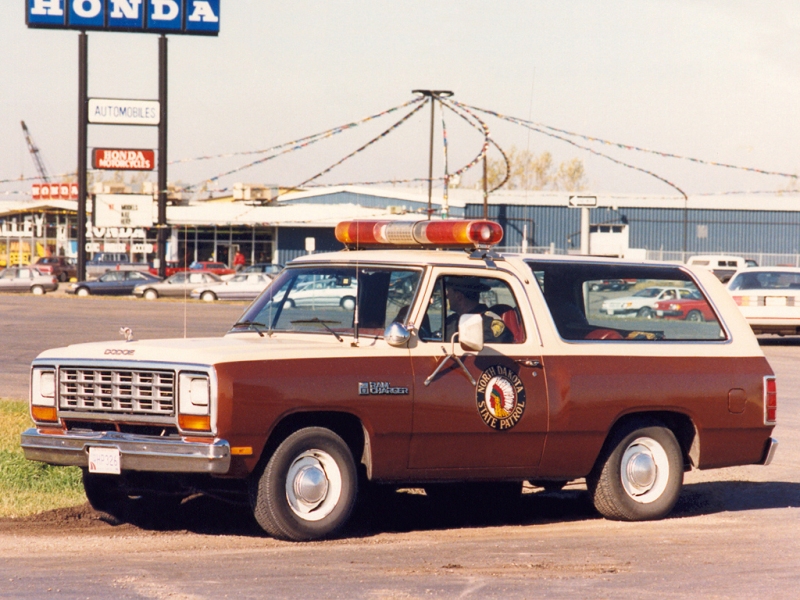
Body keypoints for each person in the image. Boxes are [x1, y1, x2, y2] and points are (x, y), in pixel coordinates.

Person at [443, 277, 513, 343]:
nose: (447, 296)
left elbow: (489, 352)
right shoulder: (452, 320)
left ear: (459, 297)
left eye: (449, 292)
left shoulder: (489, 324)